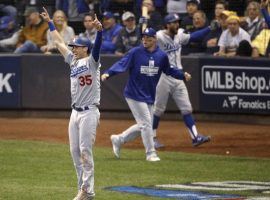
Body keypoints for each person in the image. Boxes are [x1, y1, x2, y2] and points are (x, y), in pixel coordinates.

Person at [101, 28, 191, 161]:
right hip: (133, 93)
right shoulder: (135, 52)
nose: (145, 40)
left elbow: (169, 70)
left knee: (144, 124)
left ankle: (119, 139)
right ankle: (151, 154)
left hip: (149, 95)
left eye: (148, 38)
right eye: (143, 38)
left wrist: (182, 75)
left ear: (155, 39)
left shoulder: (161, 56)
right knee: (146, 124)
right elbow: (122, 63)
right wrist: (108, 73)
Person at [40, 7, 102, 200]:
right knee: (74, 152)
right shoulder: (73, 61)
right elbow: (58, 42)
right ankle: (83, 189)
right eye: (73, 47)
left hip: (89, 113)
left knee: (85, 151)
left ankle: (88, 190)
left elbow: (98, 47)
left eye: (76, 46)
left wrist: (100, 32)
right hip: (74, 113)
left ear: (85, 48)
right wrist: (50, 22)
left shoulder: (92, 62)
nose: (73, 49)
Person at [152, 13, 211, 149]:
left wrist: (209, 28)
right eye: (173, 22)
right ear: (167, 24)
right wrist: (141, 26)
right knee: (158, 109)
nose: (177, 24)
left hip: (178, 76)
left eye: (177, 22)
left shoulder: (180, 35)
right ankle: (152, 138)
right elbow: (145, 39)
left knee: (186, 108)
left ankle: (195, 137)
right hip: (163, 76)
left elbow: (194, 37)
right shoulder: (159, 36)